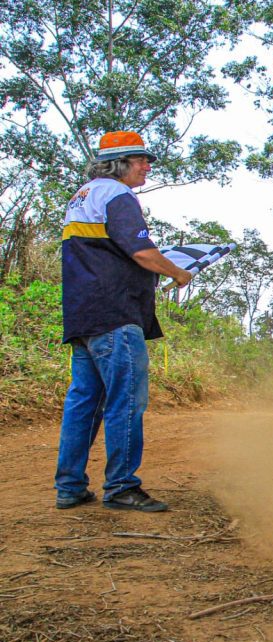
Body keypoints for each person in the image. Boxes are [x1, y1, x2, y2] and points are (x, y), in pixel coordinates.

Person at [54, 131, 194, 512]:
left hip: (84, 316)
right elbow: (143, 252)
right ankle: (120, 487)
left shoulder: (82, 196)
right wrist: (178, 273)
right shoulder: (118, 196)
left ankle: (69, 487)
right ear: (121, 164)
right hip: (115, 316)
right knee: (125, 401)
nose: (148, 166)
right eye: (142, 160)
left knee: (84, 402)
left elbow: (105, 253)